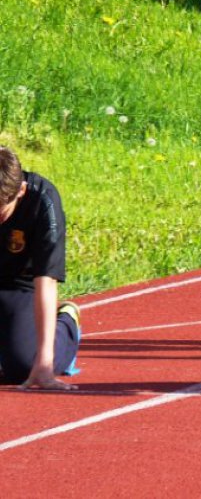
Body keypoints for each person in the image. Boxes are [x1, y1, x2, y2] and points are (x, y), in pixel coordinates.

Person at [0, 146, 81, 390]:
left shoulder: (43, 201)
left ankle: (67, 323)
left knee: (24, 366)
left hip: (18, 285)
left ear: (21, 191)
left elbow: (45, 281)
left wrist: (45, 364)